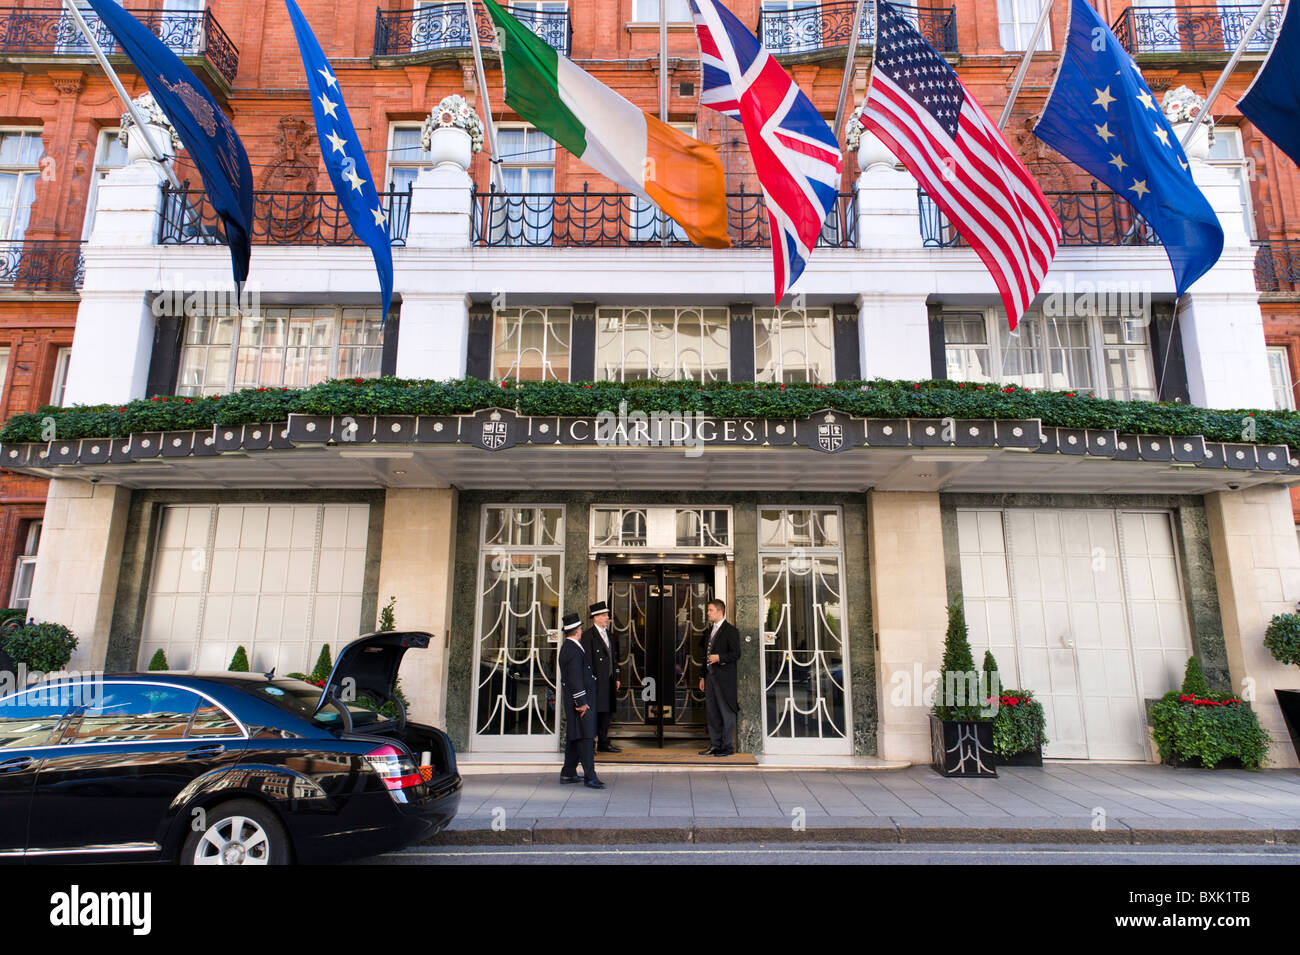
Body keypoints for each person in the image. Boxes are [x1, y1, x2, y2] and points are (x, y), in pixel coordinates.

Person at [558, 612, 605, 789]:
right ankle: (590, 776)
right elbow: (576, 679)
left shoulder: (569, 647)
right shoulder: (573, 650)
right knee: (585, 737)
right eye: (579, 628)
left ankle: (568, 772)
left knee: (574, 735)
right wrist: (581, 702)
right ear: (577, 630)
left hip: (576, 701)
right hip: (579, 703)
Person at [698, 598, 740, 757]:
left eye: (710, 610)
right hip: (710, 678)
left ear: (719, 611)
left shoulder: (731, 630)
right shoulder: (709, 631)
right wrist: (702, 676)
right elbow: (705, 656)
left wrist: (720, 658)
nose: (707, 613)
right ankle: (715, 745)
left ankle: (727, 747)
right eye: (708, 610)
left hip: (724, 680)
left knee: (726, 713)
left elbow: (736, 654)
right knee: (712, 713)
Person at [581, 600, 621, 753]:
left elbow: (614, 658)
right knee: (594, 714)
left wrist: (616, 677)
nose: (607, 618)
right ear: (595, 617)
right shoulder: (588, 636)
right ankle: (590, 744)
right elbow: (587, 662)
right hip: (596, 683)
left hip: (609, 681)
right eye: (604, 615)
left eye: (607, 615)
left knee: (607, 713)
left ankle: (604, 742)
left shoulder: (610, 635)